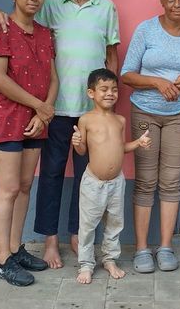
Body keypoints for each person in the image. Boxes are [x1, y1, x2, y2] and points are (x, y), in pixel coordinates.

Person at [0, 0, 121, 269]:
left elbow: (111, 56)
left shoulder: (107, 7)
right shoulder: (47, 4)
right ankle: (49, 241)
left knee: (87, 179)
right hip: (53, 111)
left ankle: (77, 235)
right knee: (50, 176)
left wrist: (108, 104)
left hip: (91, 113)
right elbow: (24, 24)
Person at [120, 0, 180, 273]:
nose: (176, 4)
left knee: (171, 181)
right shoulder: (146, 30)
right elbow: (127, 74)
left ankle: (166, 246)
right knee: (145, 181)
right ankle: (142, 248)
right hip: (145, 112)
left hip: (179, 115)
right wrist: (157, 82)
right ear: (161, 0)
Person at [0, 0, 57, 286]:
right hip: (6, 118)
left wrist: (44, 113)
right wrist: (39, 106)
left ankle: (15, 248)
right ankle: (2, 260)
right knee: (9, 188)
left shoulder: (45, 34)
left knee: (26, 185)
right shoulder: (0, 28)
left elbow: (53, 78)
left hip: (36, 121)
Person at [70, 68, 153, 284]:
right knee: (87, 225)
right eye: (104, 89)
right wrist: (77, 143)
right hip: (93, 183)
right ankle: (86, 264)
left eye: (114, 90)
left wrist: (138, 143)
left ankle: (109, 259)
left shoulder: (120, 120)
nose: (110, 93)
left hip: (116, 182)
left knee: (115, 223)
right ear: (91, 93)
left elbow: (121, 147)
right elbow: (82, 151)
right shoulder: (86, 120)